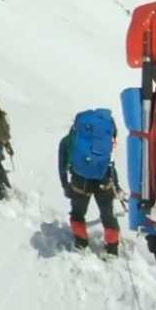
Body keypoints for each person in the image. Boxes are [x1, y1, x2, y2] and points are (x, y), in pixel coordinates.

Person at [58, 109, 121, 256]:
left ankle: (81, 244)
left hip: (80, 182)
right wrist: (116, 185)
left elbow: (62, 166)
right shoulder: (104, 138)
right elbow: (110, 162)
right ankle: (112, 250)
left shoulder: (67, 141)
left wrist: (65, 185)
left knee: (78, 213)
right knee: (107, 214)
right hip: (104, 180)